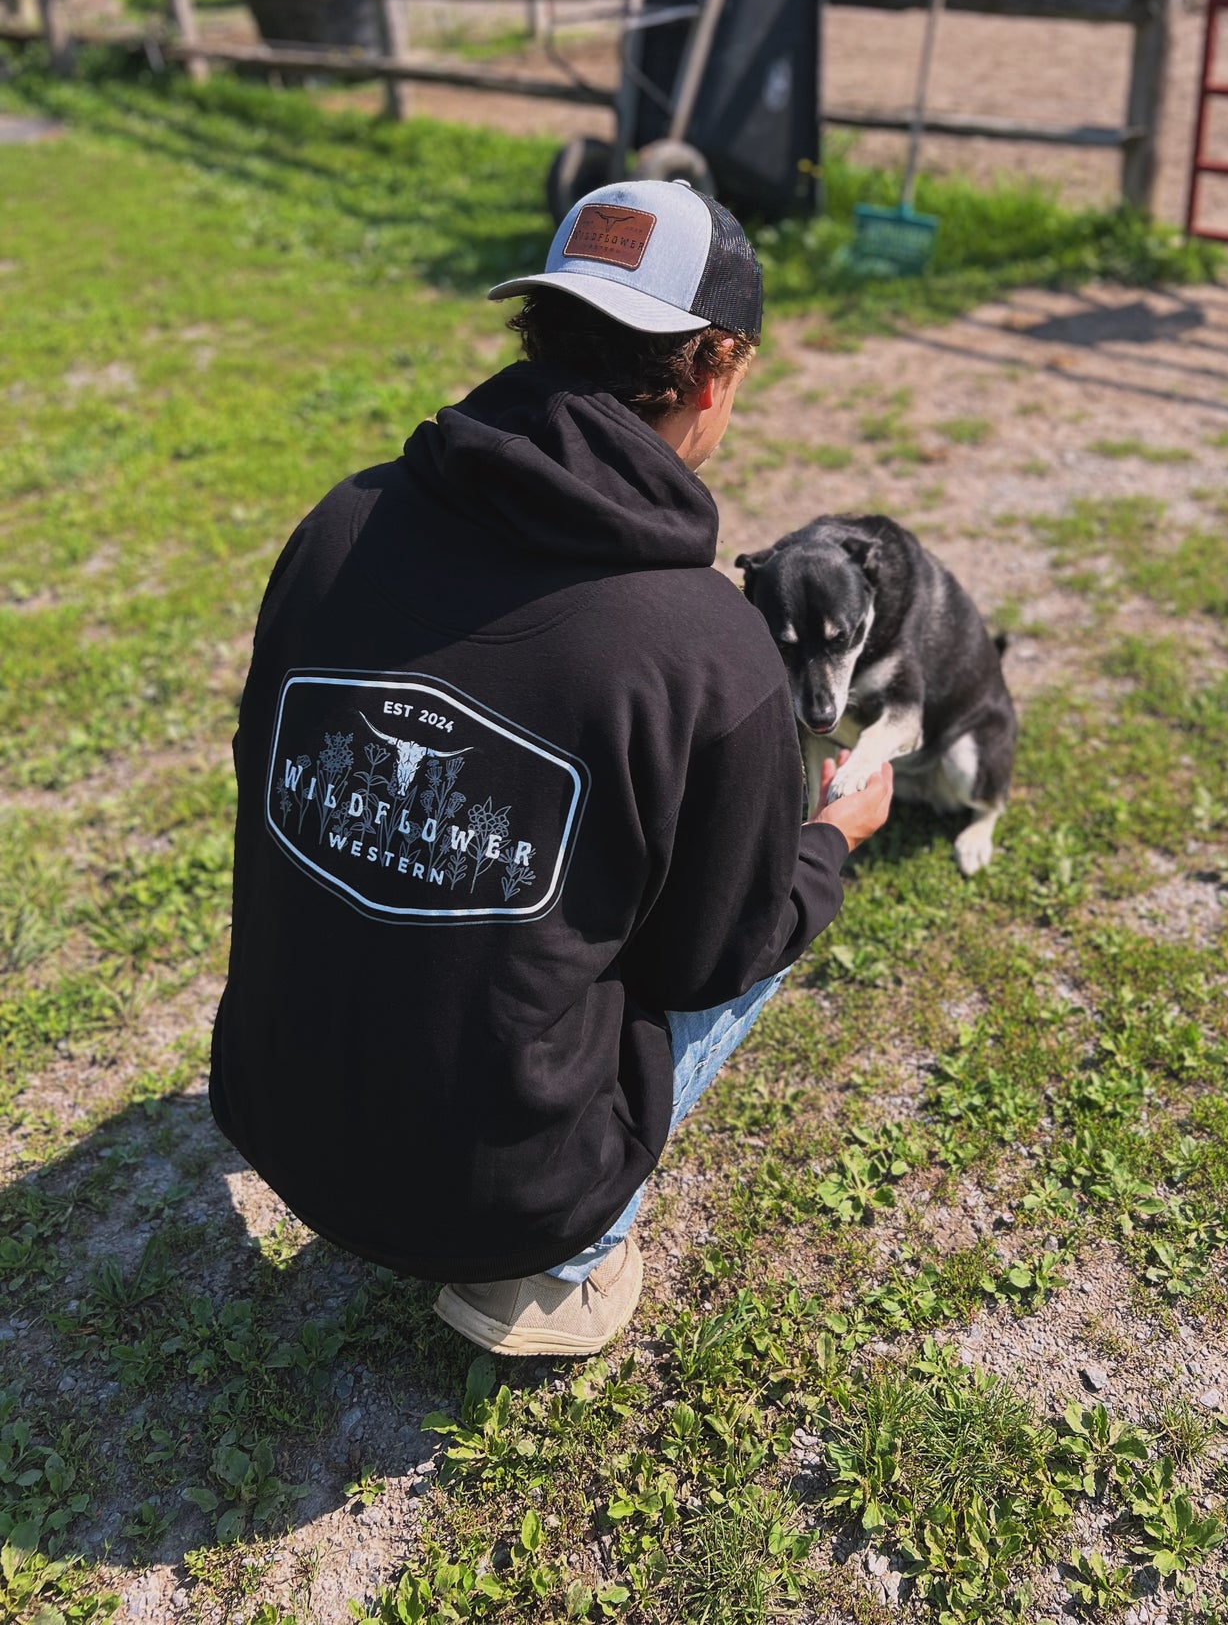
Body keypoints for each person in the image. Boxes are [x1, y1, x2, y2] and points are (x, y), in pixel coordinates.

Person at [209, 179, 893, 1357]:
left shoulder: (340, 524)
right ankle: (560, 1263)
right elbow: (709, 959)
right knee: (764, 892)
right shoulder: (708, 647)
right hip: (494, 1197)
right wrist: (830, 838)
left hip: (273, 1113)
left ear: (535, 328)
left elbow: (262, 787)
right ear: (716, 365)